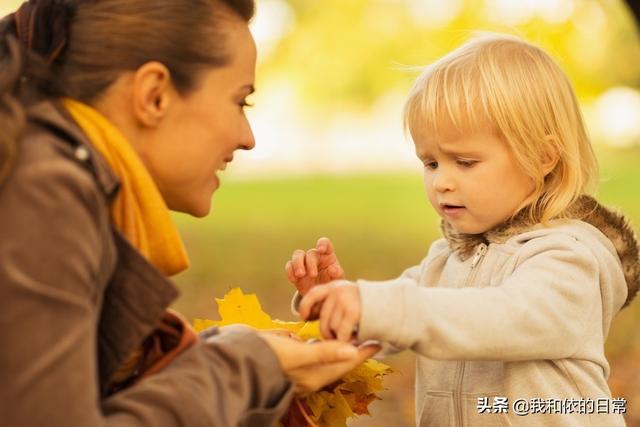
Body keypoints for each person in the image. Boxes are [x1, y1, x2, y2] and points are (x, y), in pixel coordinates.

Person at [0, 1, 379, 426]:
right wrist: (245, 367)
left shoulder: (46, 176)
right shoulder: (45, 194)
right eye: (241, 103)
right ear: (154, 95)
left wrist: (232, 358)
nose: (248, 138)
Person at [286, 34, 639, 426]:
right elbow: (400, 322)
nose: (441, 182)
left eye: (465, 162)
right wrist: (335, 306)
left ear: (542, 158)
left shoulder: (569, 258)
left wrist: (384, 305)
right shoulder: (446, 260)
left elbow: (507, 318)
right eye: (431, 163)